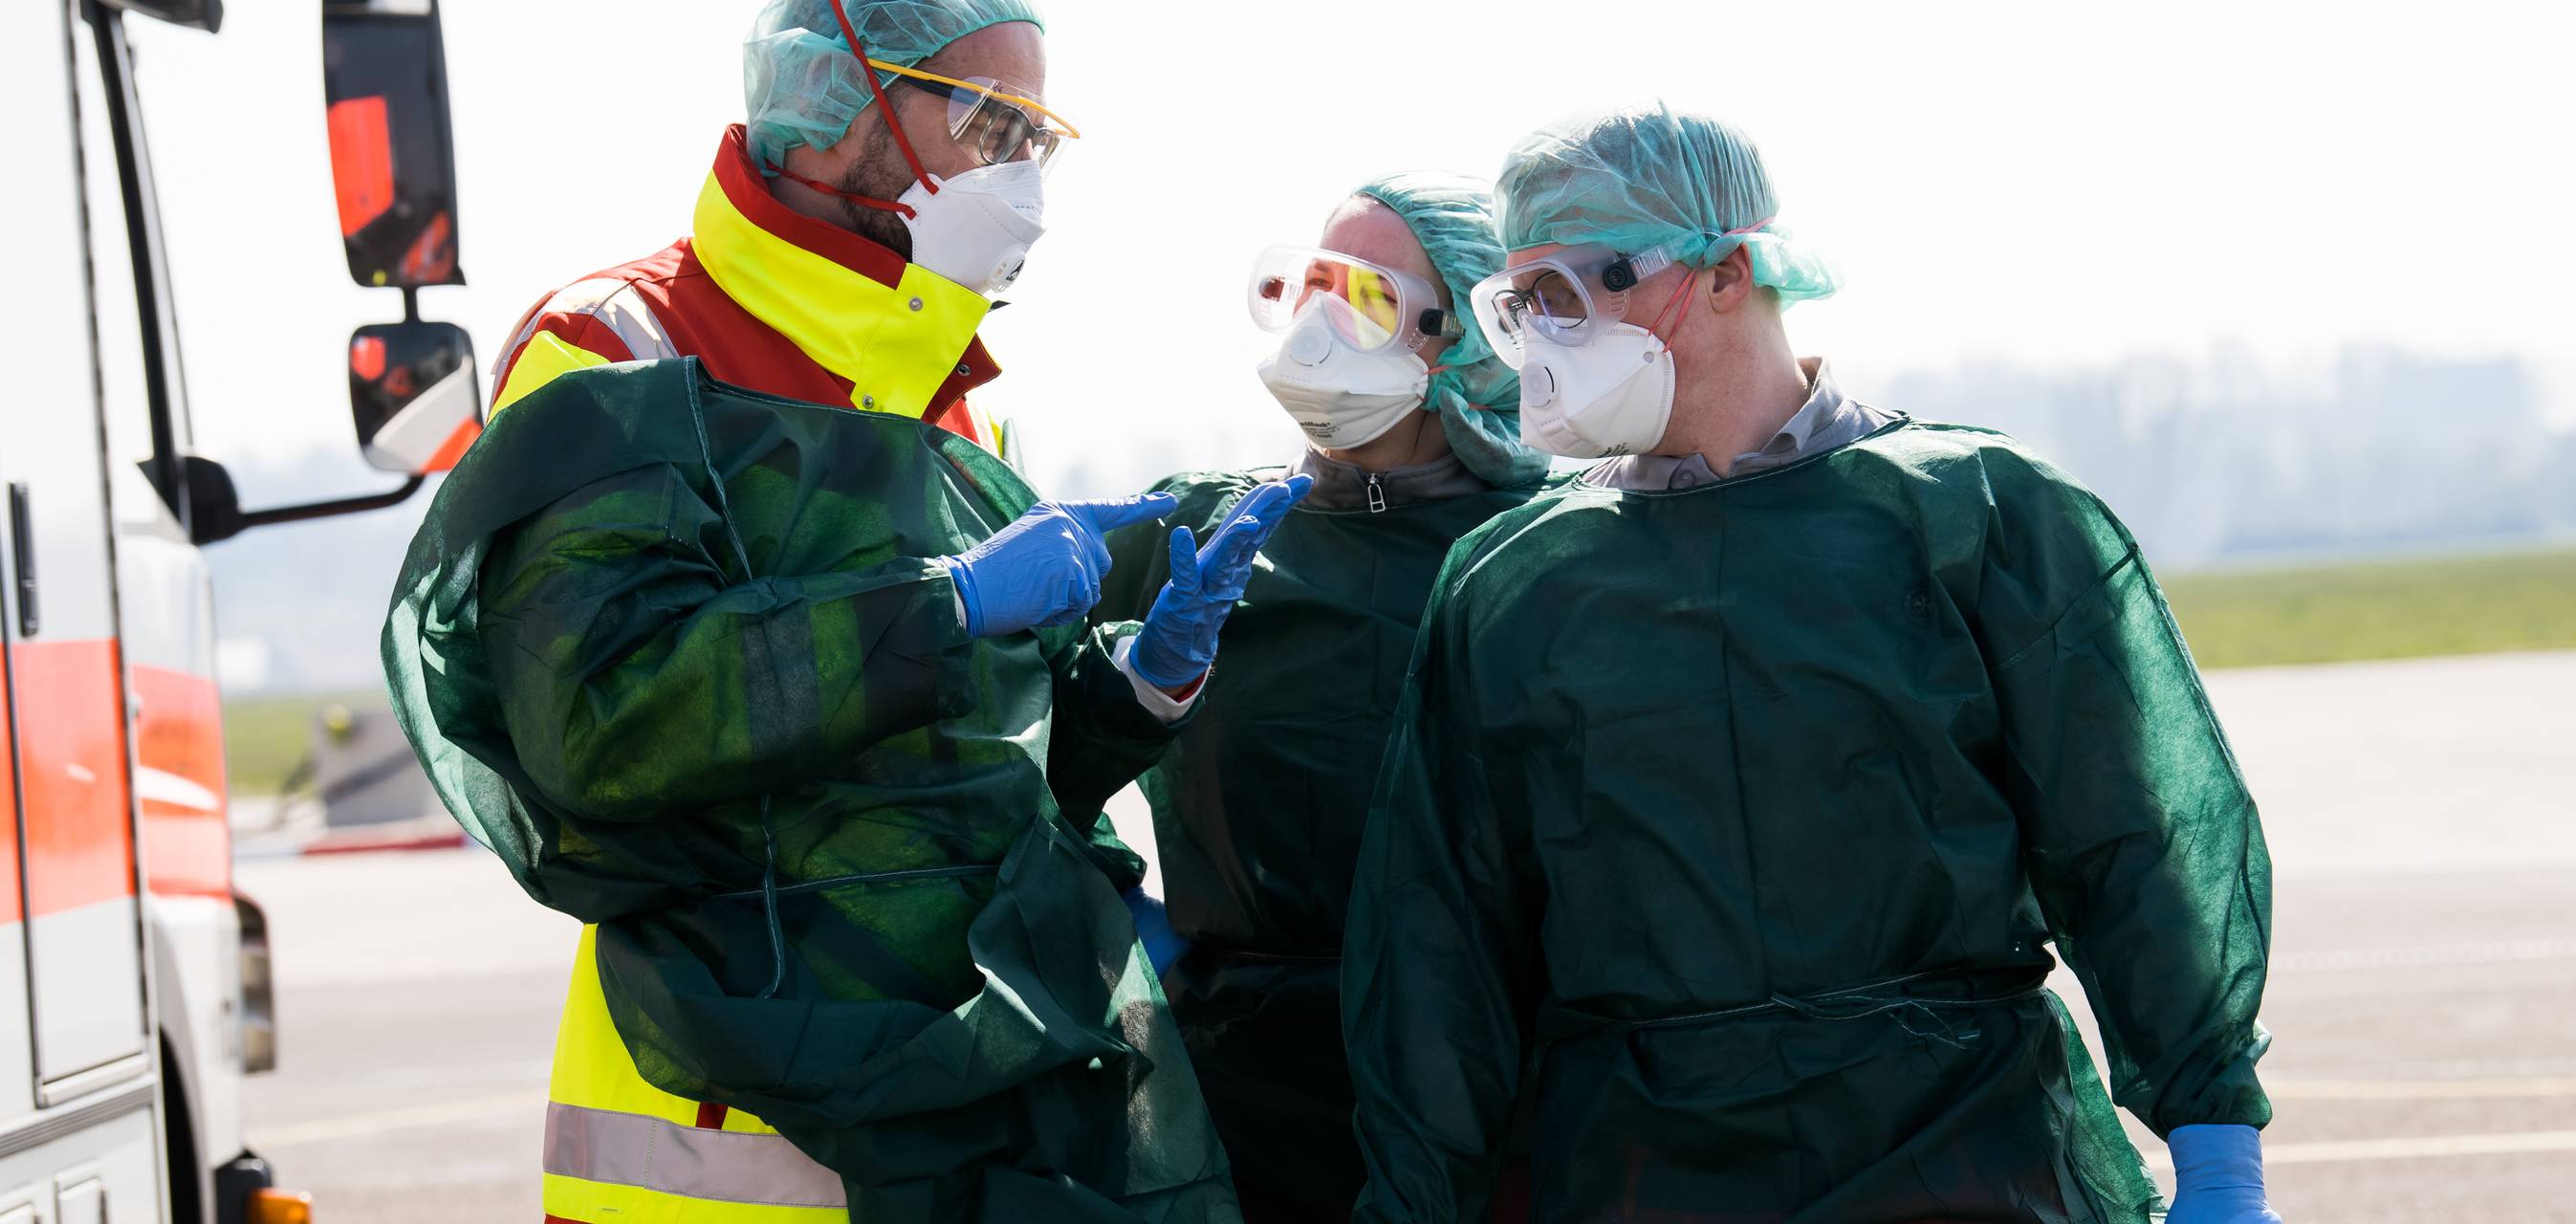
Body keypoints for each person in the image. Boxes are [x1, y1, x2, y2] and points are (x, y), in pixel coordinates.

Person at [388, 2, 1305, 1219]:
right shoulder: (621, 351)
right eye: (988, 121)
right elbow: (603, 722)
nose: (1021, 173)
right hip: (720, 1137)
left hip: (966, 1112)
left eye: (1039, 136)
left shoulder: (954, 401)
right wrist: (950, 606)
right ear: (833, 108)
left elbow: (977, 789)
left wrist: (1137, 689)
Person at [1340, 100, 2281, 1224]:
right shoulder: (1517, 584)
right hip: (1649, 1174)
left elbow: (2136, 846)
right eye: (1521, 301)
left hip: (1965, 1152)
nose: (1546, 335)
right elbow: (1443, 943)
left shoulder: (1976, 516)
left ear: (1729, 271)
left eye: (1575, 292)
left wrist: (2217, 1148)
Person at [1091, 172, 1546, 1222]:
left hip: (1499, 1087)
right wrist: (1118, 916)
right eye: (1308, 286)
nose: (1319, 325)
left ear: (1468, 337)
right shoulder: (1200, 541)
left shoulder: (1555, 552)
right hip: (1237, 1090)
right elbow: (1010, 725)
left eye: (1370, 298)